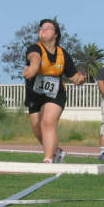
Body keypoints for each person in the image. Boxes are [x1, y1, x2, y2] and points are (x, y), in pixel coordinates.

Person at [23, 19, 85, 163]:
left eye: (47, 27)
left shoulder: (63, 54)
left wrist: (79, 80)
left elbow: (74, 76)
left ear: (56, 34)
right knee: (37, 130)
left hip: (55, 93)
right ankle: (57, 152)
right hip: (34, 95)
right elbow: (34, 58)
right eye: (40, 28)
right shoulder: (34, 48)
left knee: (47, 122)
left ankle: (48, 159)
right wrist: (33, 68)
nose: (42, 30)